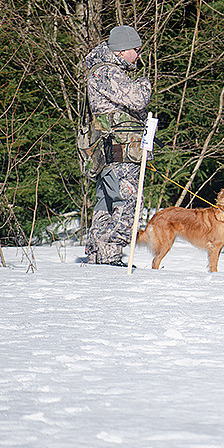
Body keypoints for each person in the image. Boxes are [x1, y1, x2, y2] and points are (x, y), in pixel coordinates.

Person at [84, 24, 151, 266]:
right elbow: (138, 99)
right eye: (136, 50)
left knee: (107, 201)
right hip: (119, 148)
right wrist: (144, 83)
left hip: (109, 147)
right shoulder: (108, 72)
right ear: (122, 50)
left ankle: (99, 254)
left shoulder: (102, 71)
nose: (139, 55)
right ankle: (110, 255)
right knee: (127, 200)